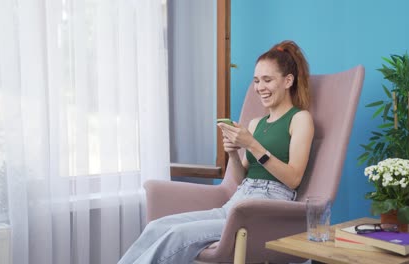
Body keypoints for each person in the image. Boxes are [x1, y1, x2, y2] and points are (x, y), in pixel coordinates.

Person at [117, 40, 314, 264]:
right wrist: (232, 153)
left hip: (264, 208)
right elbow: (241, 179)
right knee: (157, 226)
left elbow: (294, 178)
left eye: (268, 80)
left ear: (288, 80)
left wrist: (252, 145)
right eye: (257, 80)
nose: (260, 87)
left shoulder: (300, 119)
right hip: (237, 202)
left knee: (177, 235)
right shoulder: (256, 124)